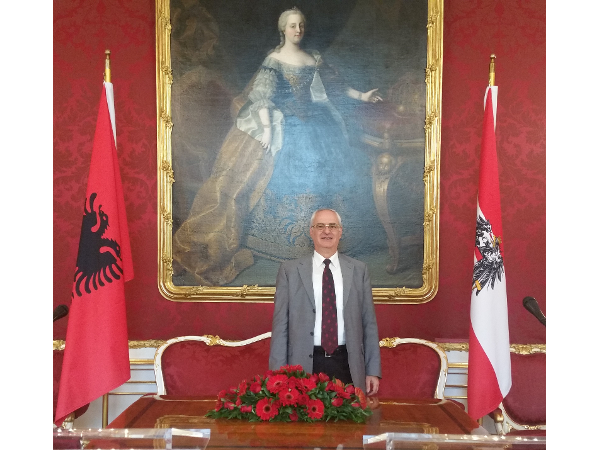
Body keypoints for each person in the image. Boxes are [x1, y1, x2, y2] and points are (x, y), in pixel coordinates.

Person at [172, 7, 384, 286]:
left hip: (318, 122)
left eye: (301, 25)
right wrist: (268, 130)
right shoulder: (274, 60)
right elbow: (262, 96)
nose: (298, 30)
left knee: (328, 171)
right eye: (293, 25)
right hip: (286, 123)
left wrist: (363, 95)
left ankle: (333, 234)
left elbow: (335, 86)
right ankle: (286, 238)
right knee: (292, 167)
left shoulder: (313, 57)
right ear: (283, 29)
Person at [269, 208, 381, 395]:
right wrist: (277, 375)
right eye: (320, 226)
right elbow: (281, 326)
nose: (326, 231)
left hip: (347, 364)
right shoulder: (290, 271)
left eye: (332, 226)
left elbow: (368, 323)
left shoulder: (359, 270)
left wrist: (372, 370)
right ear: (311, 231)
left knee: (349, 414)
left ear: (340, 231)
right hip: (304, 365)